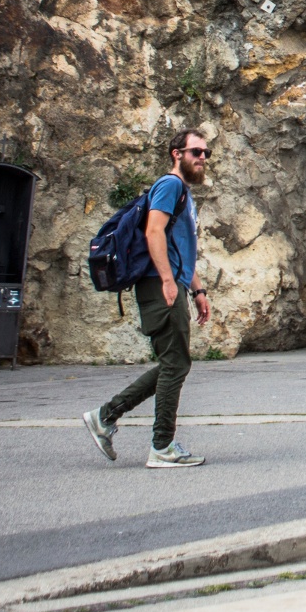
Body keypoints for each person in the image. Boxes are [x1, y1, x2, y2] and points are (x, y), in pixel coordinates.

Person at [84, 130, 214, 466]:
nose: (202, 158)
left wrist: (197, 289)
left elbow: (181, 249)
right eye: (195, 152)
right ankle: (161, 446)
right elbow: (153, 231)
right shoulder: (169, 186)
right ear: (176, 154)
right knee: (176, 363)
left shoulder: (183, 194)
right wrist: (169, 282)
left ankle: (106, 416)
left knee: (174, 363)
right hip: (159, 284)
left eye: (205, 153)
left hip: (169, 283)